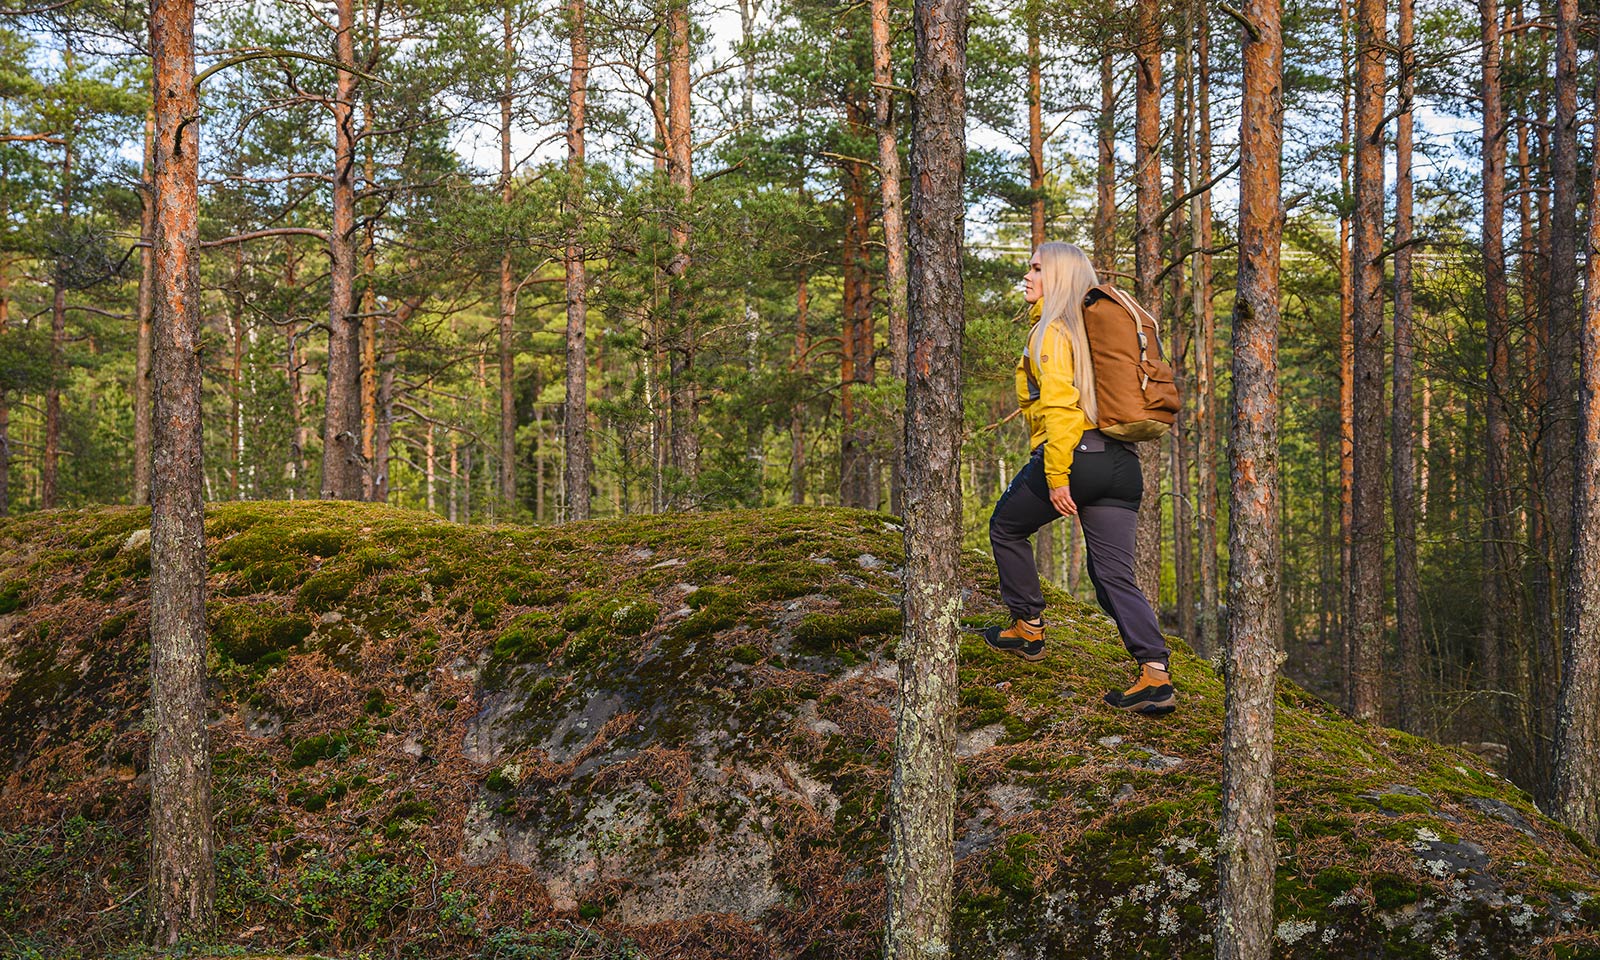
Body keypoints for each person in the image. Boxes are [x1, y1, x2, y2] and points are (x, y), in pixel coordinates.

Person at [982, 241, 1175, 716]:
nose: (1026, 277)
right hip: (1122, 463)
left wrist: (1057, 475)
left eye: (1036, 269)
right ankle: (1155, 674)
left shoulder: (1053, 332)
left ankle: (1027, 629)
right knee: (1112, 574)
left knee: (1006, 527)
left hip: (1077, 455)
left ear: (1060, 277)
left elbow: (1061, 408)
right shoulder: (1092, 333)